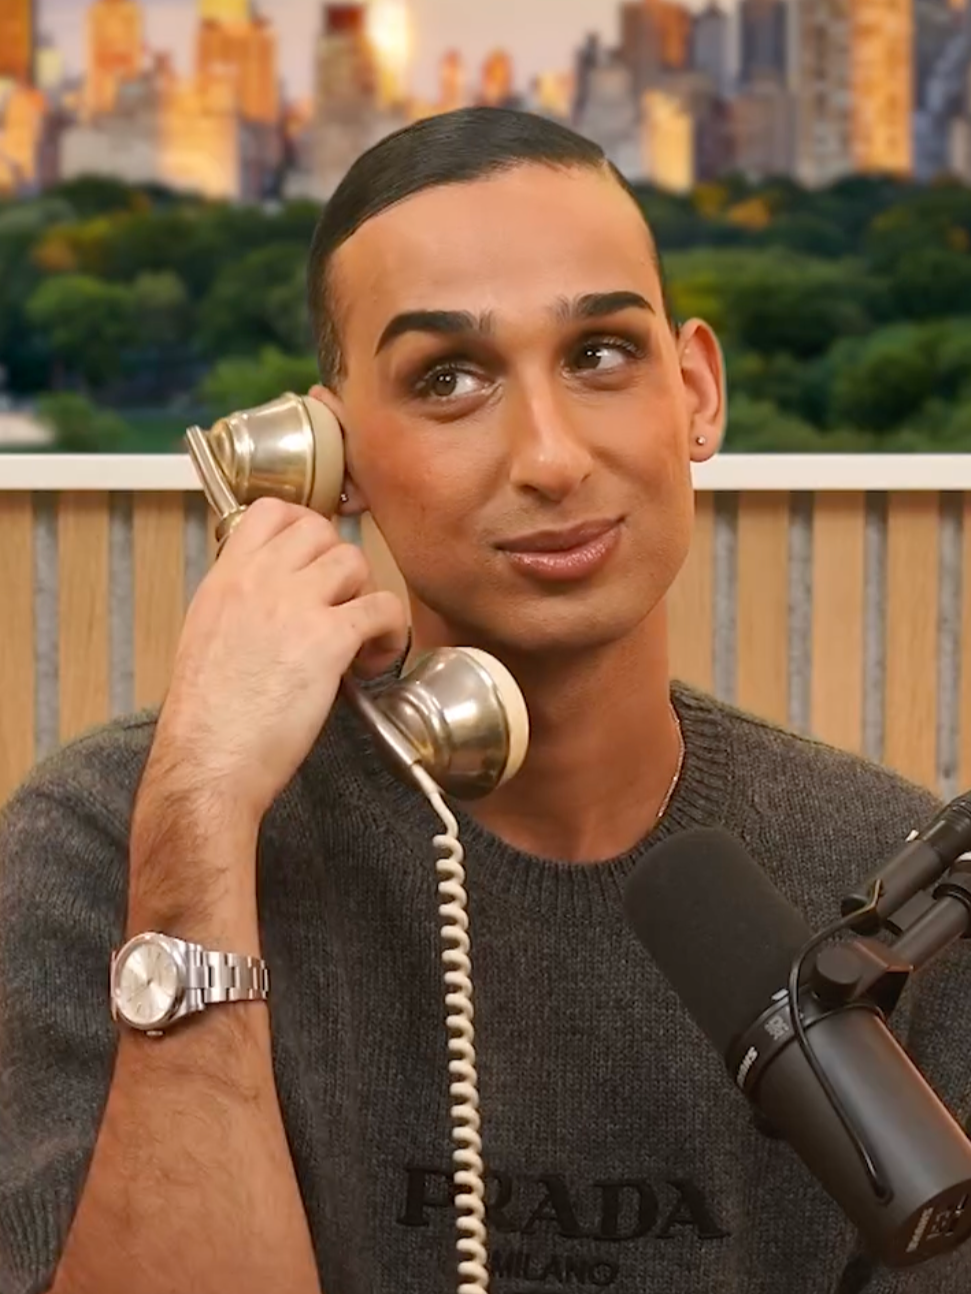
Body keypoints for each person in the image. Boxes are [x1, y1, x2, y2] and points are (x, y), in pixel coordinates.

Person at [0, 107, 968, 1294]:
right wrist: (198, 822)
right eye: (448, 378)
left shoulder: (890, 884)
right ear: (330, 454)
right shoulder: (105, 838)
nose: (550, 457)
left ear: (695, 392)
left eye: (600, 354)